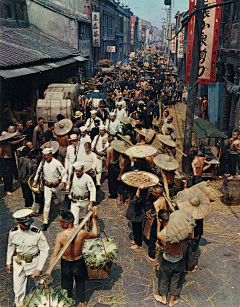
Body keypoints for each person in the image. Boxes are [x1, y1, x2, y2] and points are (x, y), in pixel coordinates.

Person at [48, 210, 98, 307]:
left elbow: (55, 255)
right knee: (80, 282)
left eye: (61, 223)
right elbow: (95, 234)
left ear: (66, 224)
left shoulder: (60, 236)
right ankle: (83, 302)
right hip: (79, 263)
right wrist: (94, 219)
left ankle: (68, 302)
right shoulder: (82, 233)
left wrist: (50, 271)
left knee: (66, 285)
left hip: (66, 264)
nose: (60, 224)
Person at [6, 209, 49, 307]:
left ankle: (43, 303)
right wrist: (8, 262)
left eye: (29, 223)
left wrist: (39, 269)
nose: (28, 226)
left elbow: (44, 250)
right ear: (18, 223)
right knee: (18, 290)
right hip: (18, 263)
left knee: (40, 285)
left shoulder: (37, 233)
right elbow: (10, 247)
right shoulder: (13, 232)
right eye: (25, 224)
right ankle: (19, 304)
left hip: (33, 263)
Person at [154, 209, 185, 306]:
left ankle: (163, 298)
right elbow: (190, 235)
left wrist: (158, 224)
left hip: (167, 260)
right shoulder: (179, 231)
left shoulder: (161, 235)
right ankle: (172, 300)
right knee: (176, 279)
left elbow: (158, 238)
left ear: (160, 220)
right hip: (179, 259)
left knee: (164, 278)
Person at [33, 148, 67, 230]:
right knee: (47, 203)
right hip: (47, 186)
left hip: (56, 185)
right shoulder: (42, 163)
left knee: (60, 198)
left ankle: (61, 208)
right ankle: (45, 221)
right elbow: (38, 172)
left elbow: (64, 173)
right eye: (45, 155)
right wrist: (35, 180)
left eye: (48, 155)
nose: (46, 157)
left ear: (51, 155)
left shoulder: (56, 163)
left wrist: (63, 182)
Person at [68, 162, 96, 228]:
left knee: (85, 217)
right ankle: (76, 233)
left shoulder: (87, 178)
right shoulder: (72, 176)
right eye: (76, 171)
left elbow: (92, 190)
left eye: (79, 171)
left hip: (84, 201)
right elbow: (69, 184)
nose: (77, 173)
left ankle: (86, 229)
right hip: (75, 201)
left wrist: (91, 203)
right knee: (74, 219)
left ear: (82, 170)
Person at [148, 186, 168, 261]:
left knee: (153, 238)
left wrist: (157, 231)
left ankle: (151, 255)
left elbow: (158, 219)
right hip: (165, 218)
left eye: (154, 192)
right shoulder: (164, 198)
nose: (152, 193)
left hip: (159, 220)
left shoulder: (156, 203)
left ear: (158, 194)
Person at [126, 185, 146, 250]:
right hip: (134, 213)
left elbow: (136, 199)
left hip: (138, 214)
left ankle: (138, 244)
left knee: (137, 229)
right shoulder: (136, 191)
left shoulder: (141, 194)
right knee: (134, 227)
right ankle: (136, 240)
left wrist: (139, 189)